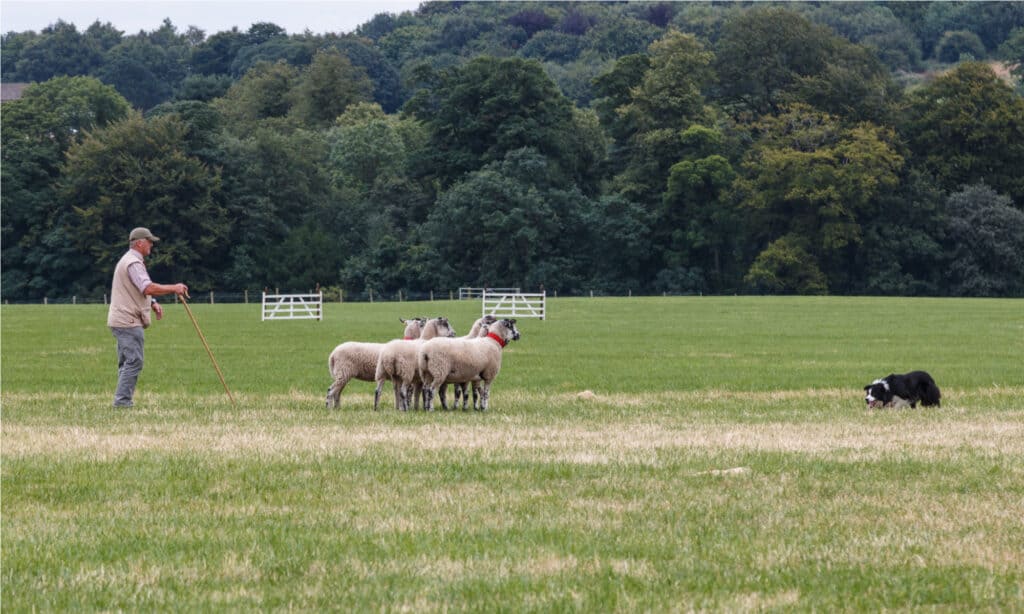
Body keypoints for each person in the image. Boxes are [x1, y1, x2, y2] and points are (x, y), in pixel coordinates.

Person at [107, 227, 188, 407]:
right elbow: (147, 287)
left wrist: (152, 303)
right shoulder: (133, 263)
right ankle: (122, 403)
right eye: (149, 241)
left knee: (127, 362)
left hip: (120, 319)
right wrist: (174, 288)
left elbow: (139, 288)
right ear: (139, 243)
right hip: (128, 321)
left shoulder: (129, 260)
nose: (152, 244)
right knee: (134, 362)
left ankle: (122, 401)